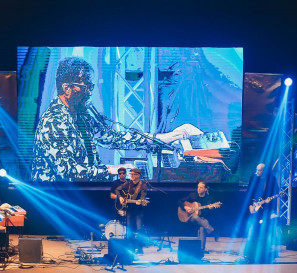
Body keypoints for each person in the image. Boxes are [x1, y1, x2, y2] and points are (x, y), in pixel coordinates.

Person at [32, 56, 188, 181]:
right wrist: (110, 170)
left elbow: (114, 139)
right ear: (67, 88)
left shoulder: (81, 115)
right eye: (86, 87)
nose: (90, 93)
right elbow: (69, 173)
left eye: (91, 87)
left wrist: (163, 138)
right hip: (59, 199)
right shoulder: (53, 122)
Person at [178, 180, 218, 252]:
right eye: (198, 187)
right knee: (196, 217)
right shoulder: (193, 195)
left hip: (201, 218)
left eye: (201, 187)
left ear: (205, 189)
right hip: (190, 217)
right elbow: (180, 201)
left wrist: (210, 208)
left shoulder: (209, 199)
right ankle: (213, 231)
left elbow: (205, 213)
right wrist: (185, 207)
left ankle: (201, 249)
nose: (198, 189)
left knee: (203, 226)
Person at [114, 168, 148, 250]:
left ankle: (139, 248)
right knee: (129, 228)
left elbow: (143, 196)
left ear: (138, 175)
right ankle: (130, 247)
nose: (131, 176)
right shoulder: (128, 183)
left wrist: (140, 201)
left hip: (138, 210)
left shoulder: (143, 185)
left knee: (138, 229)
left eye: (133, 174)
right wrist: (120, 197)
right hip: (129, 209)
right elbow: (117, 189)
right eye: (131, 174)